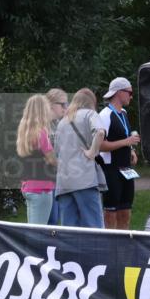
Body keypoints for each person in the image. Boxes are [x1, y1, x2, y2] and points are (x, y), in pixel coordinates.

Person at [54, 88, 106, 228]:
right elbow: (100, 132)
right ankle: (96, 251)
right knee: (94, 227)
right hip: (85, 180)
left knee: (69, 231)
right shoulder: (90, 114)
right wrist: (92, 152)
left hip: (64, 183)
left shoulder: (62, 122)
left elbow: (57, 153)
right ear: (91, 101)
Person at [97, 77, 141, 230]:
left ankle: (123, 247)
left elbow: (125, 137)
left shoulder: (124, 113)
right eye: (129, 92)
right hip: (111, 170)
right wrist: (126, 142)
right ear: (118, 93)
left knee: (126, 211)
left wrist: (131, 151)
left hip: (126, 169)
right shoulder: (104, 115)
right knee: (110, 213)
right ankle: (110, 246)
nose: (131, 96)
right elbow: (99, 146)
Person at [16, 94, 57, 224]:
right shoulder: (42, 133)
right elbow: (52, 159)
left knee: (32, 230)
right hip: (42, 188)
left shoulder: (25, 132)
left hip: (28, 186)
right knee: (38, 233)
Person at [44, 88, 68, 225]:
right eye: (63, 104)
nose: (66, 107)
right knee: (50, 220)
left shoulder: (59, 123)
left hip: (57, 177)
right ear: (52, 104)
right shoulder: (41, 124)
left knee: (55, 219)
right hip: (44, 179)